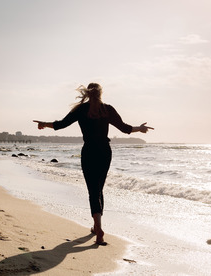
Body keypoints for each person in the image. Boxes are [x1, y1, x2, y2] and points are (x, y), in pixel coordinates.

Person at [33, 83, 153, 245]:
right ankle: (97, 228)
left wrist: (44, 124)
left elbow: (61, 124)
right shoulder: (107, 109)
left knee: (93, 190)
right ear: (101, 93)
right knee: (98, 189)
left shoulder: (81, 110)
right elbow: (125, 128)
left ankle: (98, 227)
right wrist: (140, 129)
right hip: (105, 152)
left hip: (89, 151)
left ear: (88, 94)